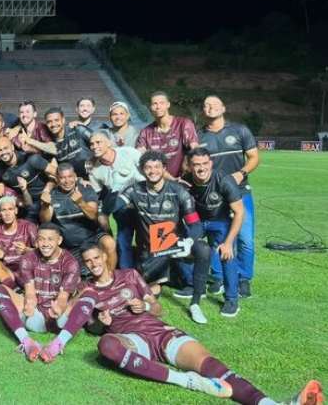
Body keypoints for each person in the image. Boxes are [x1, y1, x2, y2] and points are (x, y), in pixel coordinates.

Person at [65, 244, 324, 405]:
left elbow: (157, 308)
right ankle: (184, 380)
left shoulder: (130, 275)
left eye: (96, 258)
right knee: (107, 345)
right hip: (133, 340)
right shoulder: (87, 291)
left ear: (105, 257)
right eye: (88, 261)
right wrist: (102, 322)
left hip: (159, 332)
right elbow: (92, 327)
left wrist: (143, 306)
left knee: (215, 367)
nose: (93, 264)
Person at [110, 151, 211, 324]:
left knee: (203, 249)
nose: (153, 171)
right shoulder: (134, 189)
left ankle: (195, 304)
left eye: (157, 167)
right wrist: (114, 192)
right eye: (148, 167)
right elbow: (113, 207)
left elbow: (195, 224)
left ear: (164, 168)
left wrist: (188, 241)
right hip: (151, 251)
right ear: (142, 170)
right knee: (146, 288)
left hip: (175, 245)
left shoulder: (179, 191)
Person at [0, 223, 82, 363]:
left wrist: (59, 308)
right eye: (41, 239)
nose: (45, 244)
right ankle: (26, 342)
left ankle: (58, 343)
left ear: (59, 240)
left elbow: (63, 298)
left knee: (90, 293)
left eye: (50, 239)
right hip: (35, 317)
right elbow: (30, 291)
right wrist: (29, 304)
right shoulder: (28, 258)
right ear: (36, 241)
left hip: (59, 319)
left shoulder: (71, 262)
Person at [199, 95, 259, 298]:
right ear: (203, 111)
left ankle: (243, 278)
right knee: (217, 239)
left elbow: (254, 158)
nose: (210, 108)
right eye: (206, 105)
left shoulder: (240, 130)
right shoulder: (199, 137)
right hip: (214, 197)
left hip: (241, 192)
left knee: (245, 240)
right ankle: (218, 277)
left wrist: (240, 174)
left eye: (214, 104)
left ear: (223, 108)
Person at [183, 148, 245, 317]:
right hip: (197, 222)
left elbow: (239, 212)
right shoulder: (185, 181)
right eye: (196, 165)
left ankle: (232, 299)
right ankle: (195, 286)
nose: (201, 168)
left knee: (227, 255)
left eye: (205, 164)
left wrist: (228, 242)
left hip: (220, 221)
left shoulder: (224, 180)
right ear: (189, 166)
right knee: (182, 247)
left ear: (211, 163)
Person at [39, 163, 117, 271]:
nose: (67, 181)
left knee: (109, 242)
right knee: (76, 274)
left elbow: (93, 215)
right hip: (70, 246)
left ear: (75, 176)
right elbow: (44, 221)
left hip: (93, 238)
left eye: (70, 177)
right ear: (57, 179)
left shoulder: (86, 189)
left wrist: (81, 202)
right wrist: (45, 206)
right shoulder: (52, 195)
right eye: (62, 178)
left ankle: (110, 277)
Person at [87, 131, 143, 269]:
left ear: (109, 143)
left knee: (147, 240)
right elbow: (99, 195)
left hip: (145, 203)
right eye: (92, 144)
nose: (94, 146)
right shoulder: (94, 169)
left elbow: (150, 170)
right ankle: (126, 273)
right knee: (123, 241)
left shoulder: (129, 152)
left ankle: (151, 274)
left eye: (98, 142)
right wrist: (102, 214)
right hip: (121, 207)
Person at [136, 91, 199, 179]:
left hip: (185, 179)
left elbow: (195, 149)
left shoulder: (184, 123)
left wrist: (187, 164)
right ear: (150, 107)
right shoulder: (145, 132)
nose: (158, 107)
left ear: (168, 104)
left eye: (162, 103)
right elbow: (139, 157)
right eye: (154, 104)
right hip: (159, 181)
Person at [0, 136, 57, 220]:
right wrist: (0, 184)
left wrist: (48, 190)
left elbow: (58, 173)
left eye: (5, 148)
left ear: (12, 147)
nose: (3, 152)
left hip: (50, 196)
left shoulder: (30, 159)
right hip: (28, 205)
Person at [0, 196, 37, 288]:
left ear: (16, 211)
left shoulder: (28, 226)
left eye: (10, 209)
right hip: (6, 271)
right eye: (3, 210)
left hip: (26, 267)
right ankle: (12, 288)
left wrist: (26, 250)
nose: (7, 213)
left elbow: (42, 252)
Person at [42, 107, 93, 178]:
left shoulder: (77, 129)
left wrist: (92, 176)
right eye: (49, 122)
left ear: (63, 120)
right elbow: (55, 171)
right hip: (74, 182)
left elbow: (101, 143)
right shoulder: (50, 144)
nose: (53, 124)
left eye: (56, 120)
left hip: (95, 175)